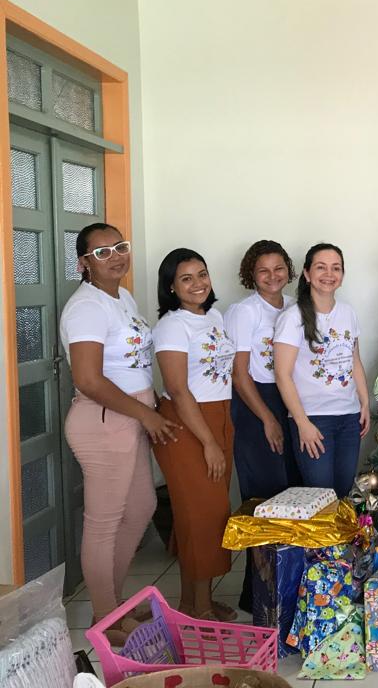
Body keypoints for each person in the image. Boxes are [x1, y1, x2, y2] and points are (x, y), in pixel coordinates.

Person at [59, 223, 179, 645]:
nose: (115, 256)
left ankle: (110, 603)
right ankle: (106, 617)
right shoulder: (86, 308)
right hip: (104, 421)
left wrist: (151, 404)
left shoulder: (121, 297)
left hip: (130, 415)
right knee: (103, 522)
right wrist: (145, 415)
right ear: (84, 263)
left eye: (120, 247)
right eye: (102, 252)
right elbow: (89, 379)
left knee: (142, 506)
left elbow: (131, 364)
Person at [153, 248, 237, 621]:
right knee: (202, 515)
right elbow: (178, 389)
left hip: (219, 416)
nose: (197, 283)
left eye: (201, 274)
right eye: (185, 278)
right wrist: (208, 442)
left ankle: (192, 603)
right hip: (189, 424)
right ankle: (200, 609)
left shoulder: (214, 316)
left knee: (205, 514)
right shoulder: (172, 325)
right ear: (171, 287)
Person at [224, 240, 300, 613]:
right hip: (256, 404)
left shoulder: (295, 307)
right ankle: (257, 596)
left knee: (291, 496)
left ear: (289, 269)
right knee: (263, 500)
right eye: (263, 270)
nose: (272, 276)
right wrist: (268, 418)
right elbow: (239, 374)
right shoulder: (244, 312)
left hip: (288, 400)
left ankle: (286, 589)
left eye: (278, 268)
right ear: (250, 275)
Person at [274, 243, 370, 497]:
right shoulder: (292, 318)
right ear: (307, 274)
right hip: (314, 419)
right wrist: (302, 423)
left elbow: (354, 361)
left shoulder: (348, 312)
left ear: (342, 275)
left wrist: (364, 403)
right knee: (320, 497)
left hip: (349, 418)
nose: (329, 274)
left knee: (342, 493)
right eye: (321, 267)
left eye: (336, 268)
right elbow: (282, 375)